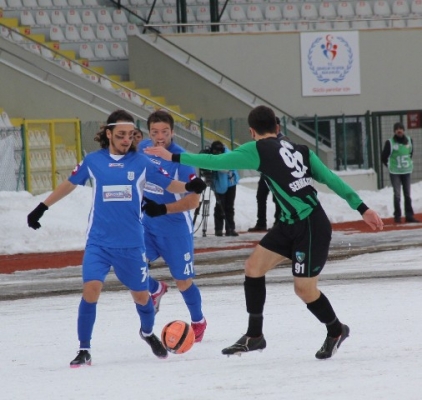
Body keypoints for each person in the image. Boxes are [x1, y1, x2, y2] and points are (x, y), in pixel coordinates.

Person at [144, 105, 384, 360]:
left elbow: (217, 162)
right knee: (253, 268)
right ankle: (254, 335)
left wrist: (176, 158)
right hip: (289, 223)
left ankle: (336, 330)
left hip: (310, 227)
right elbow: (331, 179)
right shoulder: (301, 150)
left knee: (304, 290)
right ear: (278, 128)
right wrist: (362, 207)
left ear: (251, 131)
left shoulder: (256, 149)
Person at [26, 110, 206, 367]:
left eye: (130, 135)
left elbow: (170, 185)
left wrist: (190, 186)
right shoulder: (93, 161)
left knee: (141, 297)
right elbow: (70, 183)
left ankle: (146, 332)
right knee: (91, 289)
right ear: (108, 134)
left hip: (132, 244)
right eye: (120, 135)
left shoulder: (142, 162)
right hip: (99, 242)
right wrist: (42, 206)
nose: (125, 140)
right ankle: (84, 349)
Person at [139, 110, 207, 342]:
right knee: (130, 265)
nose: (160, 137)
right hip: (147, 224)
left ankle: (198, 321)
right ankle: (155, 289)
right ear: (148, 133)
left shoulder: (181, 159)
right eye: (155, 132)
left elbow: (193, 200)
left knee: (183, 281)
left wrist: (164, 209)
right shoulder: (142, 150)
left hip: (175, 228)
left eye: (165, 132)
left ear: (172, 132)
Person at [248, 117, 284, 232]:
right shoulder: (265, 139)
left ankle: (278, 221)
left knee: (277, 199)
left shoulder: (283, 140)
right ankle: (261, 222)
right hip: (266, 173)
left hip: (278, 174)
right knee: (261, 196)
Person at [381, 122, 418, 224]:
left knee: (407, 194)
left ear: (404, 130)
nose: (399, 130)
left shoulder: (409, 141)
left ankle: (409, 216)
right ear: (394, 131)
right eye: (397, 129)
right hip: (395, 172)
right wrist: (389, 165)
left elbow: (410, 153)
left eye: (401, 128)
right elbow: (383, 157)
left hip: (406, 171)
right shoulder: (390, 142)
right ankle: (397, 216)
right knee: (397, 194)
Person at [209, 140, 240, 237]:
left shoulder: (229, 155)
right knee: (219, 206)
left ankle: (230, 228)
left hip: (231, 182)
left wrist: (216, 165)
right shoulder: (211, 156)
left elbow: (226, 168)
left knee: (229, 206)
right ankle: (218, 229)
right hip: (218, 182)